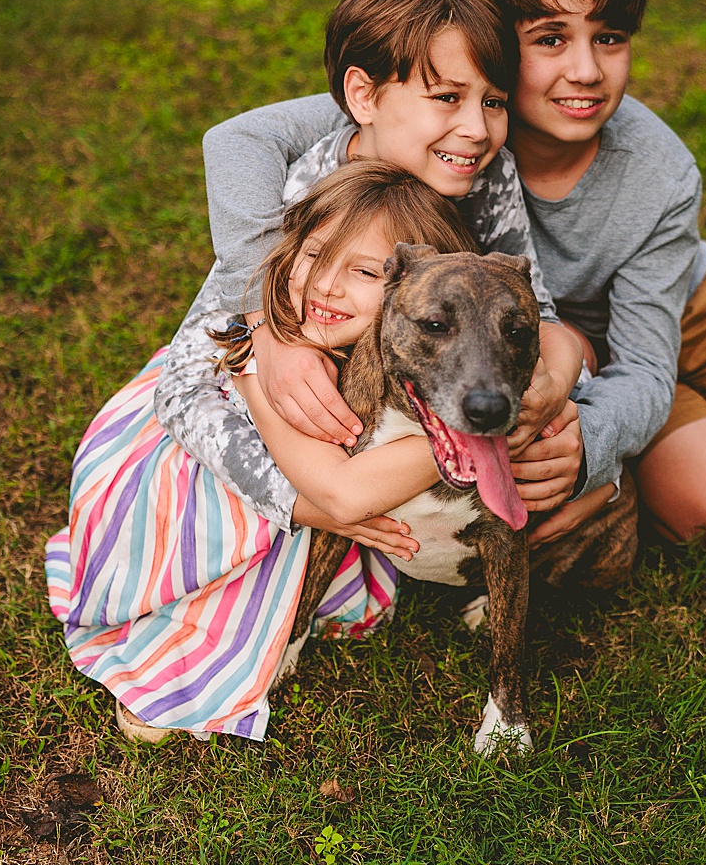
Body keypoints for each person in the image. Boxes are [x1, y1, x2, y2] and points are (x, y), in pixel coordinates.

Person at [187, 0, 706, 554]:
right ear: (488, 40)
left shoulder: (657, 175)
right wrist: (264, 325)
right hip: (548, 343)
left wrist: (589, 452)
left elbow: (642, 368)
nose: (586, 71)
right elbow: (242, 137)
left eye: (610, 38)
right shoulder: (431, 120)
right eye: (547, 39)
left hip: (678, 309)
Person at [46, 162, 481, 744]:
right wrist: (488, 434)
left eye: (365, 271)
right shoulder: (274, 352)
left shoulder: (398, 359)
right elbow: (339, 494)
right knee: (239, 549)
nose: (326, 286)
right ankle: (185, 646)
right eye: (314, 256)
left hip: (307, 486)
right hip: (193, 485)